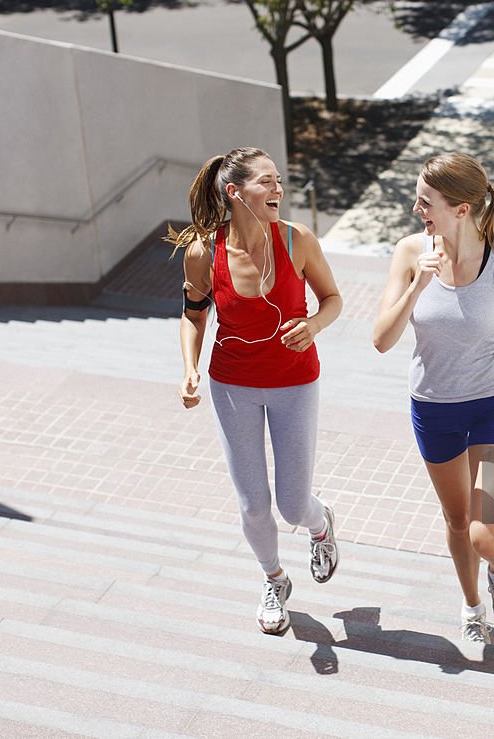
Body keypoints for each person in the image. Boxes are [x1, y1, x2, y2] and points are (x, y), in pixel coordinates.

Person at [169, 146, 342, 635]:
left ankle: (320, 522)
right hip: (232, 385)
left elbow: (333, 299)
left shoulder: (297, 239)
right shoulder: (205, 251)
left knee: (292, 503)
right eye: (266, 181)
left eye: (279, 180)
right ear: (235, 192)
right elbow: (193, 314)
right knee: (252, 503)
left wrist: (313, 325)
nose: (278, 189)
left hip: (294, 381)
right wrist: (189, 368)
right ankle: (274, 579)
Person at [372, 153, 494, 643]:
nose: (416, 209)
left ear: (462, 209)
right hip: (433, 407)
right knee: (455, 519)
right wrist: (418, 286)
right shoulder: (410, 254)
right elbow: (381, 340)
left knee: (484, 533)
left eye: (426, 202)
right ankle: (472, 608)